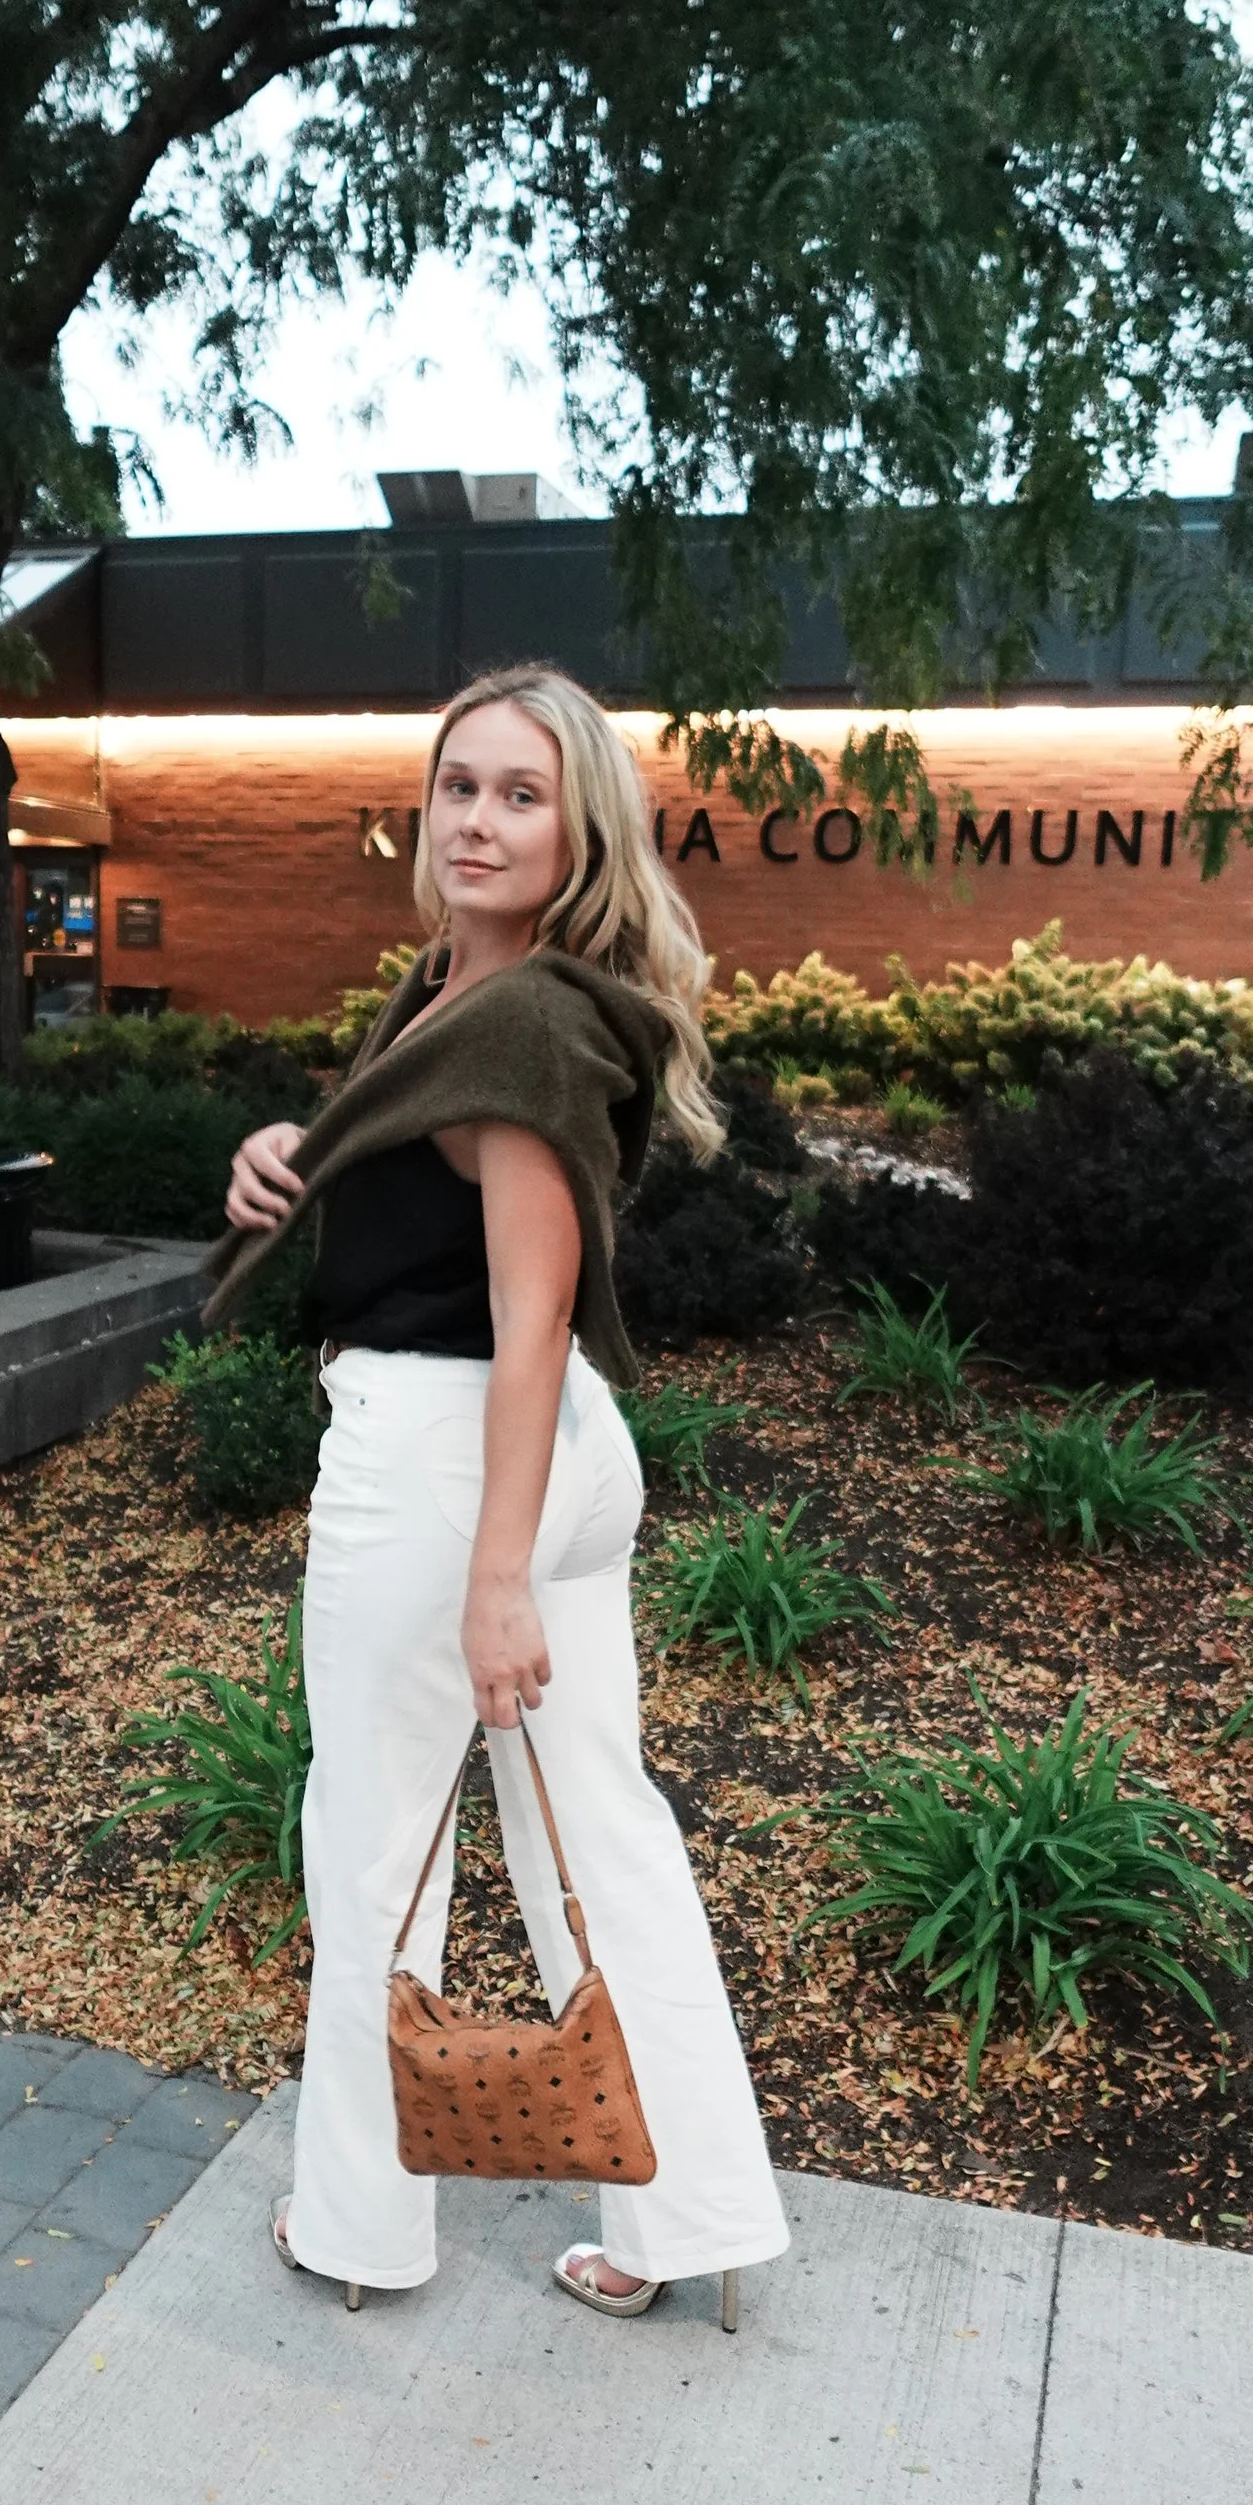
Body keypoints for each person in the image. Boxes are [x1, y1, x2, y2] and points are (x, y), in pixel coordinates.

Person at [211, 662, 790, 2324]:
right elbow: (420, 1191)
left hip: (458, 1460)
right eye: (459, 783)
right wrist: (292, 1151)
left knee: (377, 1840)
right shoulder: (454, 989)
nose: (477, 817)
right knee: (594, 1838)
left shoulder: (525, 1017)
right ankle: (684, 2219)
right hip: (529, 1457)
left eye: (520, 794)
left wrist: (494, 1575)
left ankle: (361, 2227)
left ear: (580, 824)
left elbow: (528, 1307)